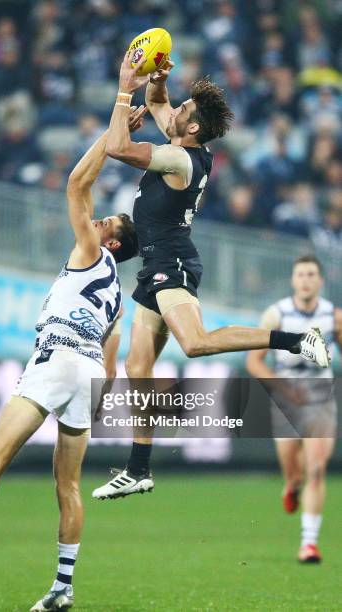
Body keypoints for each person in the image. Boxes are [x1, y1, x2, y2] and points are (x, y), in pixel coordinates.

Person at [0, 107, 144, 611]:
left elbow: (74, 183)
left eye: (107, 221)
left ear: (110, 241)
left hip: (57, 358)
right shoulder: (117, 301)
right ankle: (63, 587)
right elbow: (110, 366)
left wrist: (116, 128)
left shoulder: (91, 250)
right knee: (68, 486)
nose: (97, 218)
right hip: (85, 376)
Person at [92, 52, 331, 501]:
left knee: (196, 343)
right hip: (155, 265)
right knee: (137, 365)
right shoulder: (182, 146)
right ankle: (138, 468)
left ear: (194, 127)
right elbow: (159, 102)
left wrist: (125, 87)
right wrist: (157, 79)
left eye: (182, 110)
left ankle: (297, 339)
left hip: (172, 262)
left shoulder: (179, 161)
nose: (174, 109)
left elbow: (116, 147)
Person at [246, 255, 342, 563]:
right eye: (300, 274)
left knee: (316, 469)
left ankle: (309, 543)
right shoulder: (277, 315)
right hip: (287, 397)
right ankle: (290, 485)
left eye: (311, 274)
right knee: (295, 472)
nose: (306, 280)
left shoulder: (334, 316)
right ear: (293, 280)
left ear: (320, 281)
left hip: (319, 397)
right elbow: (253, 361)